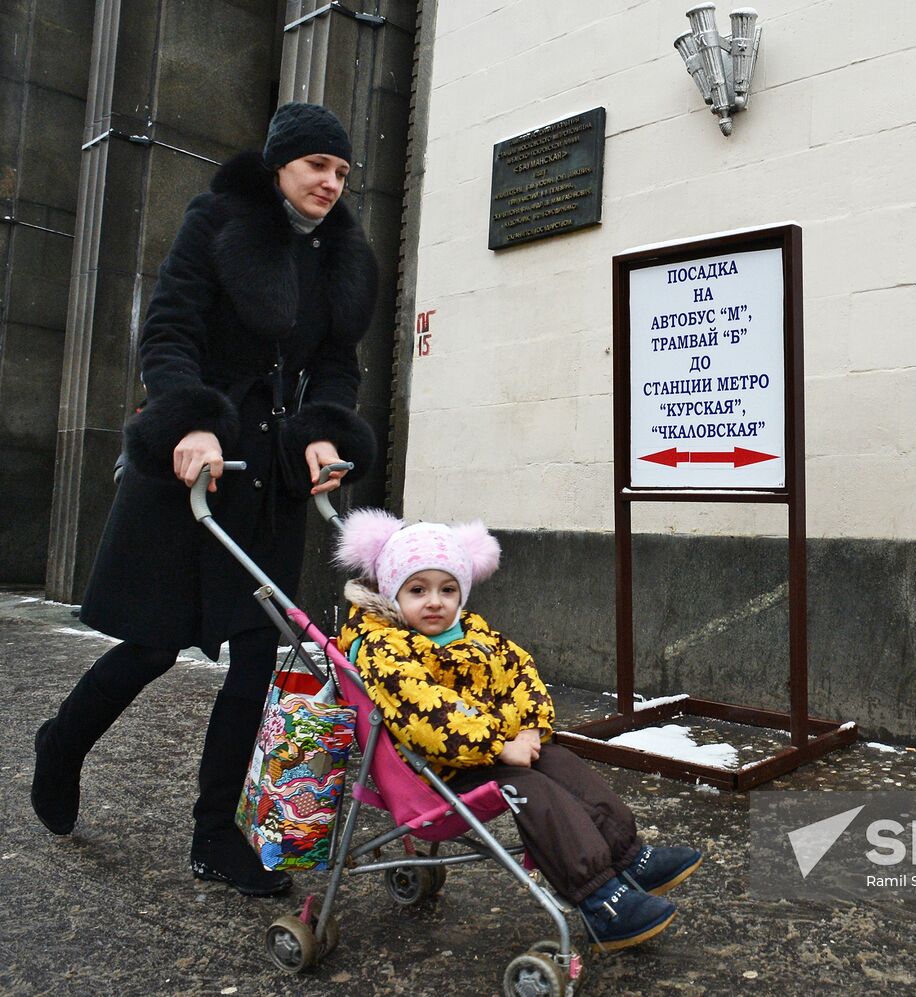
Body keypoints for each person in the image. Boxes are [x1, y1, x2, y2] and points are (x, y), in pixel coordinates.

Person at [30, 103, 379, 897]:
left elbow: (336, 365)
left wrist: (326, 432)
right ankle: (62, 742)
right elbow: (170, 328)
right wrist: (190, 418)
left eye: (343, 172)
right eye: (318, 166)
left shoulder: (341, 258)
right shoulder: (218, 221)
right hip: (197, 467)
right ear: (282, 164)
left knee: (260, 656)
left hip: (272, 479)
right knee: (152, 643)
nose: (331, 182)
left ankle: (216, 833)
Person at [334, 509, 703, 951]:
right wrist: (498, 745)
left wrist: (529, 730)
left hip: (491, 749)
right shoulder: (384, 647)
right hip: (435, 769)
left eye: (448, 589)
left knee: (561, 761)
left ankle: (627, 855)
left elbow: (520, 674)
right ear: (392, 593)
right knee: (533, 788)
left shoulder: (469, 631)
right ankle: (600, 899)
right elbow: (428, 711)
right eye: (417, 590)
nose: (435, 602)